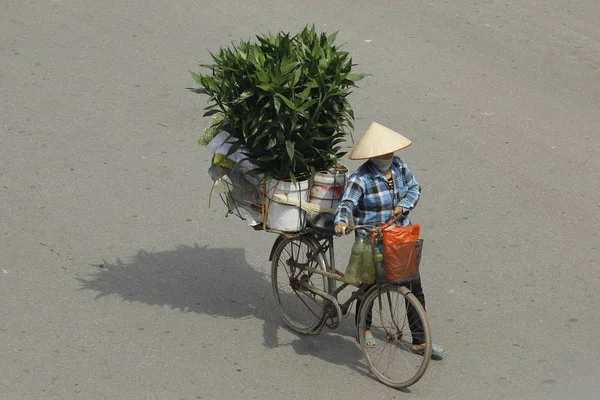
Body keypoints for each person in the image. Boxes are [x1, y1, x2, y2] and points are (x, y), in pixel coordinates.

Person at [334, 122, 445, 356]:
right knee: (370, 283)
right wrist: (341, 222)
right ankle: (363, 327)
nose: (388, 156)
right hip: (372, 239)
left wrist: (403, 207)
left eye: (390, 152)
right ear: (373, 154)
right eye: (383, 153)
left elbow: (414, 188)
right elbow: (346, 204)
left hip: (400, 237)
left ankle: (419, 340)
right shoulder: (360, 179)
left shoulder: (399, 167)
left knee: (414, 286)